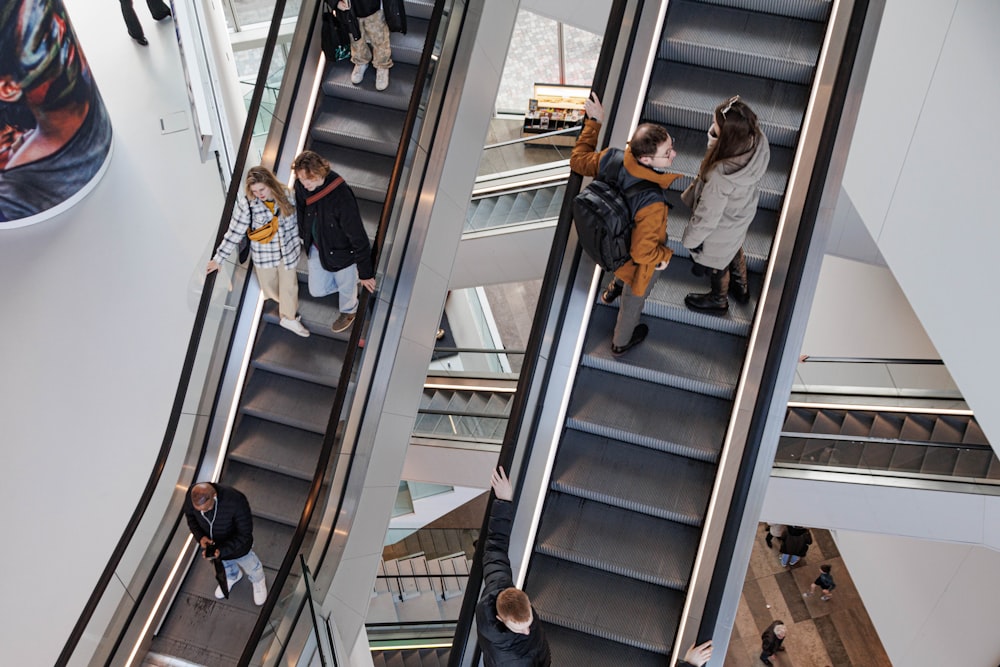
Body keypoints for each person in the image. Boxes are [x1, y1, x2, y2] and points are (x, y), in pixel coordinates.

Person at [570, 93, 682, 356]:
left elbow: (577, 160)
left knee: (622, 272)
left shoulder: (612, 157)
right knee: (634, 301)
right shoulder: (652, 201)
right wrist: (664, 255)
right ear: (646, 160)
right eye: (667, 153)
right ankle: (621, 342)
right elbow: (643, 253)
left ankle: (610, 292)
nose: (673, 154)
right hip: (633, 260)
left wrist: (594, 123)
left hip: (611, 243)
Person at [0, 0, 113, 221]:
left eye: (52, 20)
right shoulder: (17, 194)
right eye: (43, 37)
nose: (61, 30)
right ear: (8, 87)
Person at [681, 95, 770, 315]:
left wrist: (690, 240)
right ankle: (741, 288)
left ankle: (718, 299)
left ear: (729, 137)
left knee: (716, 263)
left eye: (716, 125)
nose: (712, 127)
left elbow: (707, 216)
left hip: (720, 225)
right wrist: (716, 140)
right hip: (741, 212)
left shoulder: (721, 177)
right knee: (733, 246)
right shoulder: (757, 139)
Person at [207, 165, 310, 338]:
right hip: (265, 256)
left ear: (270, 183)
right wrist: (218, 259)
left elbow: (300, 220)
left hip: (288, 250)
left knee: (289, 285)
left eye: (262, 189)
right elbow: (234, 232)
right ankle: (285, 304)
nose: (259, 194)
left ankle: (289, 317)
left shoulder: (288, 195)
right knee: (270, 288)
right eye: (255, 191)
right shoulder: (247, 204)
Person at [292, 150, 376, 333]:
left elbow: (358, 235)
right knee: (317, 291)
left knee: (346, 287)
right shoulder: (301, 186)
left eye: (309, 180)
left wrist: (366, 273)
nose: (304, 185)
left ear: (319, 172)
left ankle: (349, 310)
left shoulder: (341, 196)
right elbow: (300, 210)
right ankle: (349, 282)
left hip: (341, 251)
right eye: (301, 179)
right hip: (316, 245)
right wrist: (302, 233)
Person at [476, 466, 551, 666]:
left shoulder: (499, 584)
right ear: (500, 619)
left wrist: (503, 501)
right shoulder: (504, 660)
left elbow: (495, 548)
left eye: (528, 624)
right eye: (520, 628)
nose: (527, 632)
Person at [183, 482, 268, 606]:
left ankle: (258, 580)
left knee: (251, 565)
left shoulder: (236, 500)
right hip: (215, 546)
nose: (204, 512)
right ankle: (234, 576)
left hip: (239, 548)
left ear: (215, 496)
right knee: (225, 565)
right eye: (200, 510)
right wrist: (200, 537)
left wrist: (221, 550)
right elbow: (190, 518)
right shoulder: (192, 495)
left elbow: (244, 534)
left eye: (207, 509)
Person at [337, 0, 392, 91]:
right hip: (349, 10)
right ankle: (361, 60)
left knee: (379, 38)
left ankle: (382, 64)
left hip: (373, 8)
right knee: (355, 39)